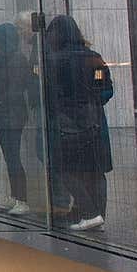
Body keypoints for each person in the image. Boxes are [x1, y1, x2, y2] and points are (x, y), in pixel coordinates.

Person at [43, 14, 113, 230]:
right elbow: (106, 89)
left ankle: (90, 212)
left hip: (67, 124)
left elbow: (49, 94)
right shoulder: (94, 58)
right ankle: (97, 215)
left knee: (66, 169)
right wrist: (92, 102)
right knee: (95, 171)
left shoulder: (55, 60)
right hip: (94, 123)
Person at [0, 22, 34, 216]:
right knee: (9, 157)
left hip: (11, 116)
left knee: (13, 158)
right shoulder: (4, 60)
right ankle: (15, 195)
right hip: (4, 115)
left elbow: (13, 91)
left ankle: (22, 198)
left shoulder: (16, 61)